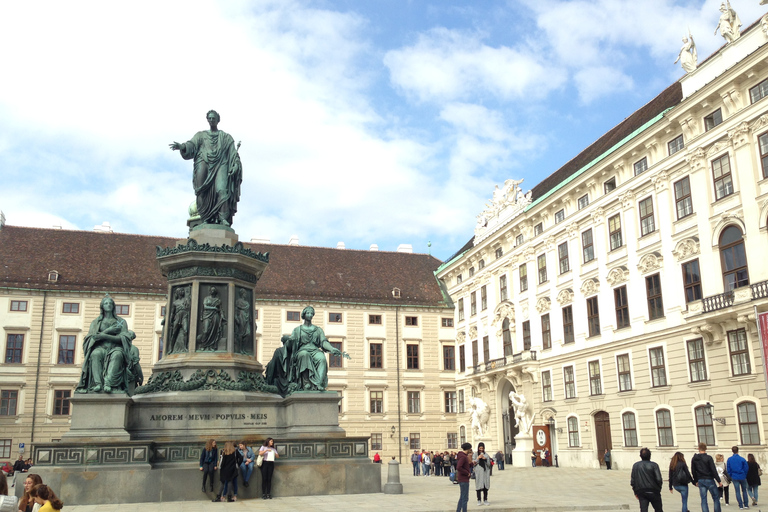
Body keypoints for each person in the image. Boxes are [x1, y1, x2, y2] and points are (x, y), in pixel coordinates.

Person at [169, 110, 243, 227]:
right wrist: (182, 146)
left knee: (222, 190)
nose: (212, 120)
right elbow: (191, 145)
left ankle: (223, 218)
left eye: (214, 118)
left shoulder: (226, 138)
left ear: (218, 120)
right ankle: (205, 218)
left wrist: (235, 165)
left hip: (221, 165)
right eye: (210, 118)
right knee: (201, 191)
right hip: (203, 162)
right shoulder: (200, 136)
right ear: (207, 120)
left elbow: (233, 154)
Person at [75, 295, 134, 394]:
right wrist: (109, 331)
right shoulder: (96, 322)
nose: (109, 305)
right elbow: (92, 338)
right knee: (95, 354)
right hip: (100, 347)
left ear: (113, 306)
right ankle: (98, 383)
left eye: (111, 303)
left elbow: (124, 338)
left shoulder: (121, 322)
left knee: (118, 355)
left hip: (116, 348)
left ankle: (108, 383)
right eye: (106, 303)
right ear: (102, 306)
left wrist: (104, 336)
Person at [284, 306, 346, 392]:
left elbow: (323, 342)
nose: (310, 315)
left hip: (315, 350)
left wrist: (331, 349)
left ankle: (319, 383)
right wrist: (289, 342)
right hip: (302, 350)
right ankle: (306, 383)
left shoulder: (318, 330)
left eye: (311, 313)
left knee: (322, 358)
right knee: (304, 355)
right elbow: (291, 343)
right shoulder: (298, 330)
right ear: (304, 315)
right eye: (308, 313)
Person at [691, 442, 722, 512]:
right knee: (716, 497)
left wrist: (695, 481)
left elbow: (693, 471)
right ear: (706, 448)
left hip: (701, 480)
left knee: (703, 499)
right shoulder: (709, 458)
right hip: (709, 479)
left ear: (698, 448)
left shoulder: (694, 458)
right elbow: (713, 470)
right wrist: (718, 480)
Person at [630, 447, 663, 512]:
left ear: (640, 456)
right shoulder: (654, 465)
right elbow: (659, 479)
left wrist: (635, 491)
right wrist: (658, 489)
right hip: (654, 490)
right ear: (650, 455)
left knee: (643, 510)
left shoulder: (635, 465)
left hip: (641, 491)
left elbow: (633, 481)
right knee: (658, 509)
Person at [196, 287, 224, 352]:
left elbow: (220, 309)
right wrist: (214, 308)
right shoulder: (206, 298)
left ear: (215, 291)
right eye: (211, 290)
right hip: (207, 315)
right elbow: (205, 307)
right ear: (209, 291)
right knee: (205, 331)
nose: (212, 291)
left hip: (215, 315)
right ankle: (203, 345)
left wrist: (222, 315)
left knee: (214, 331)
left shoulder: (218, 300)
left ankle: (211, 345)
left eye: (214, 290)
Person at [455, 442, 473, 512]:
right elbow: (459, 467)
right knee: (465, 498)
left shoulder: (463, 456)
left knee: (462, 497)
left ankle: (458, 510)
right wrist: (467, 473)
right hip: (464, 479)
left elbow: (466, 465)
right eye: (470, 449)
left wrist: (471, 463)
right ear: (468, 449)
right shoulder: (463, 457)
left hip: (462, 479)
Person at [473, 442, 491, 506]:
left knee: (485, 487)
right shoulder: (475, 454)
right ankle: (479, 500)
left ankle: (485, 499)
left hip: (485, 473)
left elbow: (489, 464)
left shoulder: (486, 455)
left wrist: (485, 459)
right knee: (478, 486)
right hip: (478, 473)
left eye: (482, 448)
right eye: (480, 448)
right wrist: (477, 458)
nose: (481, 449)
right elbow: (473, 463)